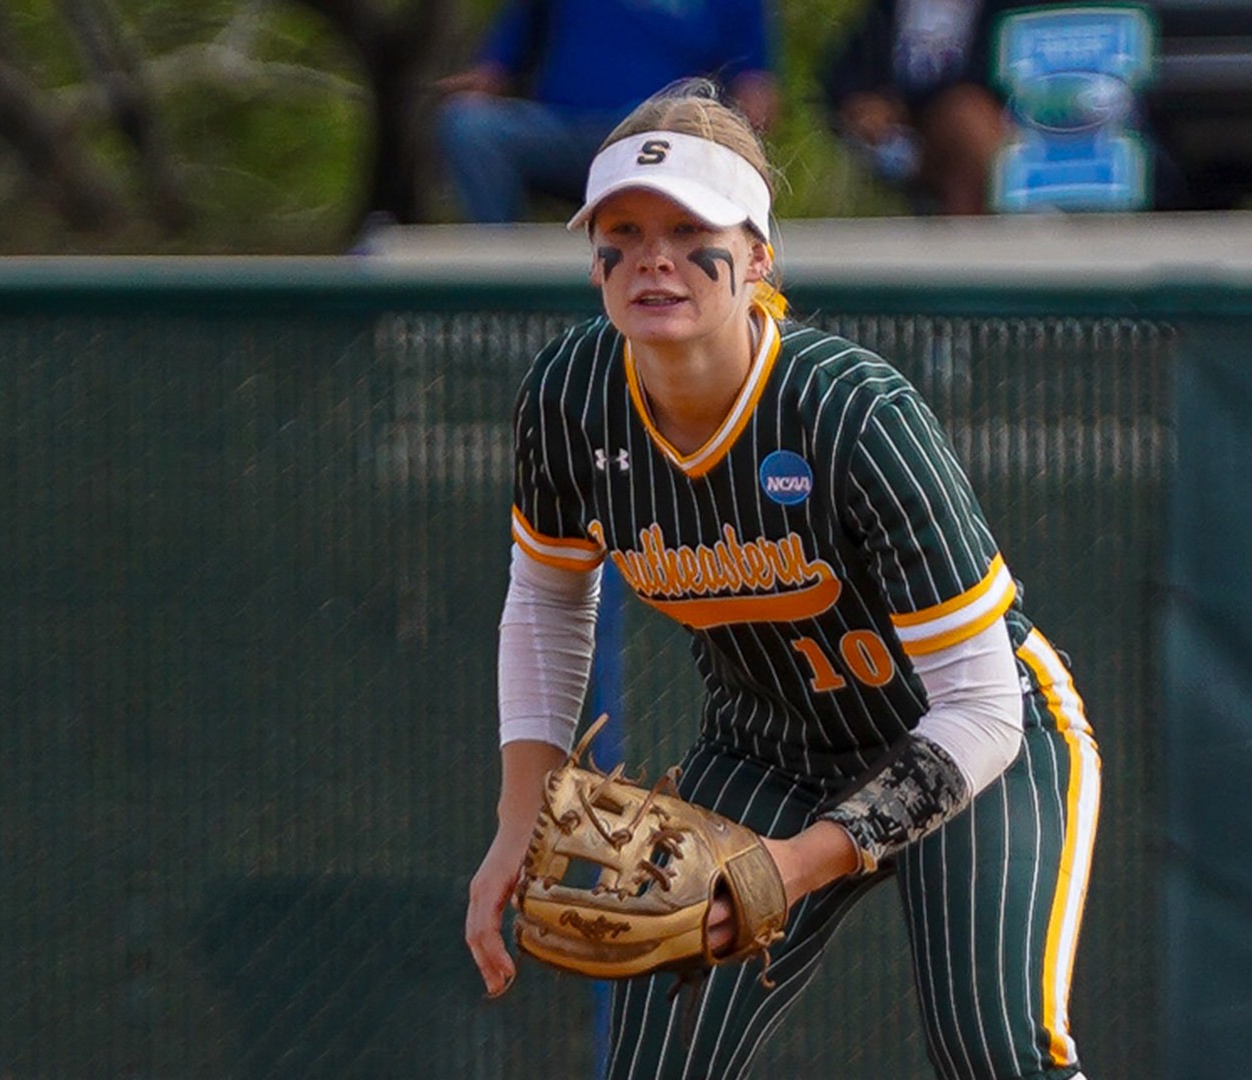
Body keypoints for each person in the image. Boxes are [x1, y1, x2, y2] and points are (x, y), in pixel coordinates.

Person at [463, 78, 1101, 1080]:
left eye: (689, 228)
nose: (653, 258)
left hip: (973, 739)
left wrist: (792, 866)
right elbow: (549, 592)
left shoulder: (851, 416)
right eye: (621, 231)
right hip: (768, 745)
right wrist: (519, 815)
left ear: (758, 257)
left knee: (995, 1053)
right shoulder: (573, 396)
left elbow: (980, 708)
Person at [434, 0, 777, 224]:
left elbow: (754, 88)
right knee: (468, 126)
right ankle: (500, 264)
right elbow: (497, 70)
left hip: (660, 142)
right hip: (563, 133)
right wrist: (469, 88)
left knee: (679, 122)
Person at [820, 0, 1013, 215]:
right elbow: (842, 73)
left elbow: (999, 77)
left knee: (968, 116)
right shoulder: (890, 8)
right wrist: (862, 104)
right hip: (897, 138)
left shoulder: (1004, 8)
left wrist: (903, 105)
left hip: (981, 122)